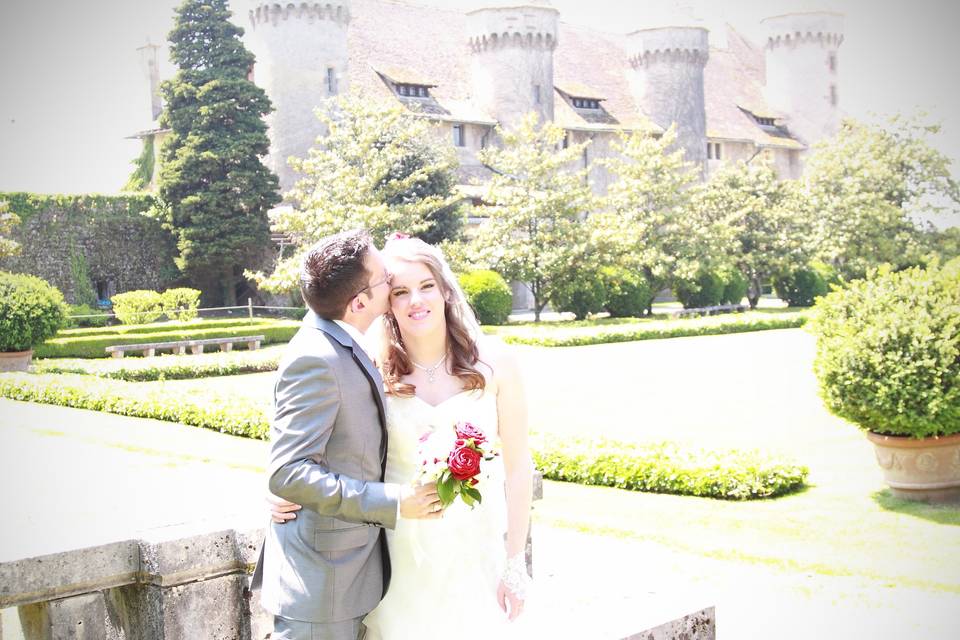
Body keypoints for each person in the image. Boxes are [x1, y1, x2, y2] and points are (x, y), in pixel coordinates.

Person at [269, 235, 534, 639]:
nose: (416, 301)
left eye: (426, 286)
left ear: (445, 290)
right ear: (383, 304)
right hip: (395, 554)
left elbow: (518, 468)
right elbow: (306, 446)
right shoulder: (368, 367)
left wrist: (515, 564)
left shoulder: (497, 362)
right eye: (400, 291)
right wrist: (278, 490)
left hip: (474, 547)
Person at [252, 230, 444, 640]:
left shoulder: (342, 341)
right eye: (383, 276)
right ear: (359, 302)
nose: (391, 278)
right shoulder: (316, 357)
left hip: (348, 578)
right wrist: (394, 501)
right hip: (321, 588)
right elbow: (288, 472)